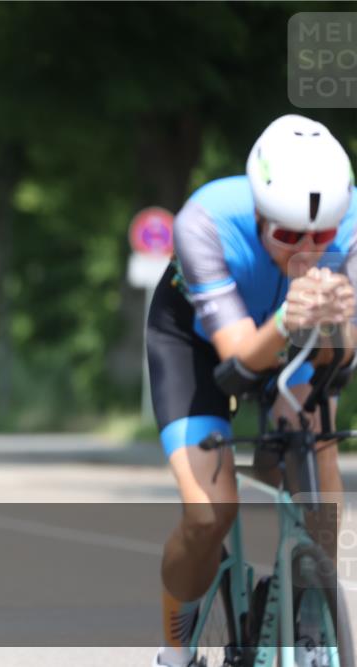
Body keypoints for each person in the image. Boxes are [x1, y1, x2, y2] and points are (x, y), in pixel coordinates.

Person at [148, 114, 357, 667]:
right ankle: (174, 651)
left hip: (296, 340)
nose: (307, 250)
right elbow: (238, 358)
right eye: (288, 235)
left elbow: (340, 359)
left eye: (323, 236)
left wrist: (336, 330)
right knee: (207, 516)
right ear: (260, 214)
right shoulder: (206, 221)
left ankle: (309, 600)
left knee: (313, 449)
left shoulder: (355, 223)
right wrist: (290, 317)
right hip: (198, 345)